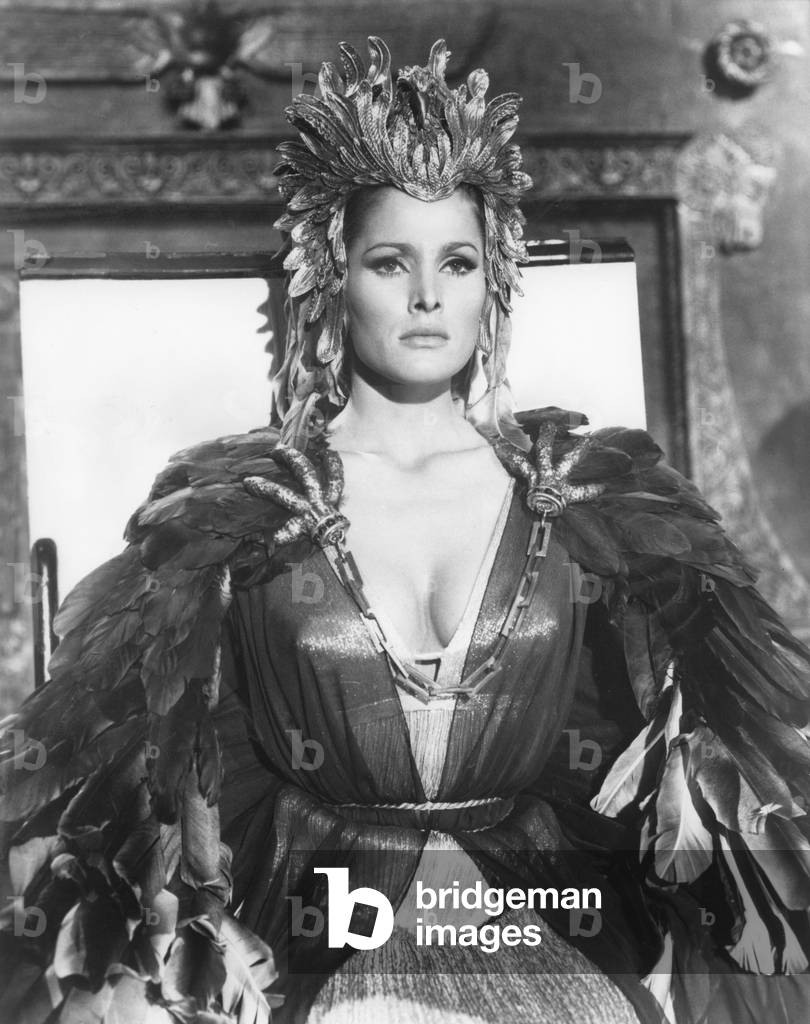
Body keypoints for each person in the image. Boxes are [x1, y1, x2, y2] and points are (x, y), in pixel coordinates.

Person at [1, 35, 809, 1024]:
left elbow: (725, 747)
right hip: (319, 941)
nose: (428, 296)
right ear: (333, 274)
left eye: (457, 262)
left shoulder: (584, 496)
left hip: (545, 935)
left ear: (492, 278)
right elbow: (139, 768)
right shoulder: (243, 512)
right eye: (392, 261)